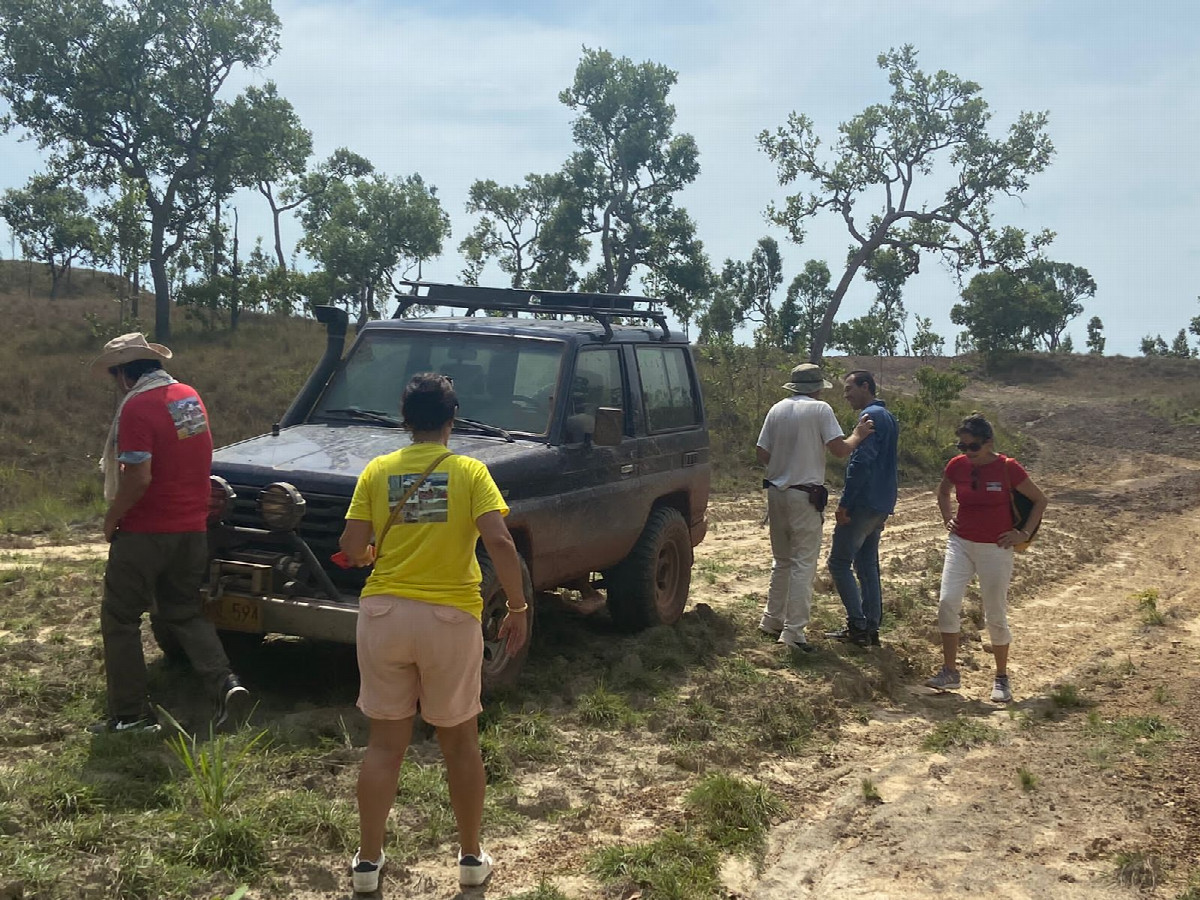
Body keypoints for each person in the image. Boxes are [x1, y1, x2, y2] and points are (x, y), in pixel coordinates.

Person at [339, 373, 528, 894]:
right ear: (452, 417)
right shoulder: (469, 471)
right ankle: (470, 857)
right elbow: (501, 543)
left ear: (405, 418)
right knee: (460, 744)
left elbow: (352, 544)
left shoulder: (377, 471)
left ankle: (368, 865)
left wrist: (369, 555)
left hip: (383, 616)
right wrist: (517, 605)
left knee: (384, 747)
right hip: (449, 619)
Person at [89, 332, 249, 734]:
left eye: (115, 375)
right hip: (192, 529)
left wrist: (113, 517)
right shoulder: (188, 397)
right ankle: (225, 684)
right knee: (183, 611)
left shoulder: (138, 407)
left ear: (126, 373)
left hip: (147, 531)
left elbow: (138, 477)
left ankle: (129, 715)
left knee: (120, 617)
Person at [925, 413, 1048, 702]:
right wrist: (947, 518)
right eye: (962, 446)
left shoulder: (1008, 468)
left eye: (973, 446)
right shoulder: (957, 465)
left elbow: (1040, 500)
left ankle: (1002, 678)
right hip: (961, 544)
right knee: (947, 602)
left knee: (994, 612)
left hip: (996, 548)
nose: (967, 452)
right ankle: (949, 671)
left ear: (988, 442)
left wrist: (1023, 533)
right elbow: (943, 492)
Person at [757, 364, 874, 652]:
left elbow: (761, 452)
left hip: (775, 492)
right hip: (804, 494)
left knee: (782, 560)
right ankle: (794, 632)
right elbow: (839, 449)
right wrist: (858, 434)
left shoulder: (776, 409)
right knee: (803, 564)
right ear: (817, 387)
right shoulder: (820, 410)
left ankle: (771, 620)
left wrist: (783, 464)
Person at [825, 371, 899, 647]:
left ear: (865, 386)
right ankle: (871, 628)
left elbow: (861, 464)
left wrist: (845, 503)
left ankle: (857, 626)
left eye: (849, 389)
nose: (845, 396)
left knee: (839, 562)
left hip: (864, 501)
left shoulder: (869, 418)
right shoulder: (888, 416)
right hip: (882, 501)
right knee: (867, 563)